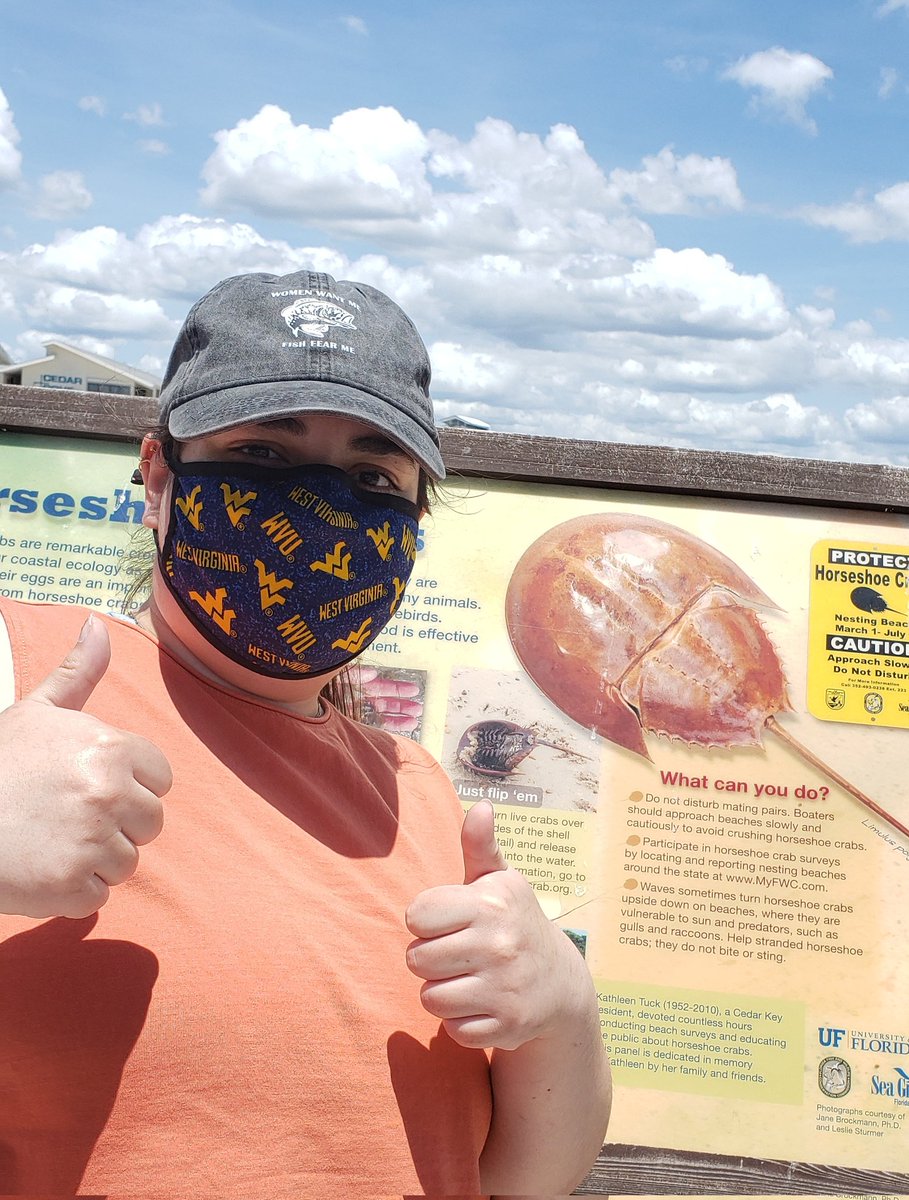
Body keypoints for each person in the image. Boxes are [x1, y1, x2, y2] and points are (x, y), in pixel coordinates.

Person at [0, 269, 611, 1196]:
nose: (322, 510)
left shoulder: (420, 794)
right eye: (265, 458)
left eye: (371, 475)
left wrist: (562, 1015)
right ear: (158, 476)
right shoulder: (20, 674)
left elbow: (523, 1180)